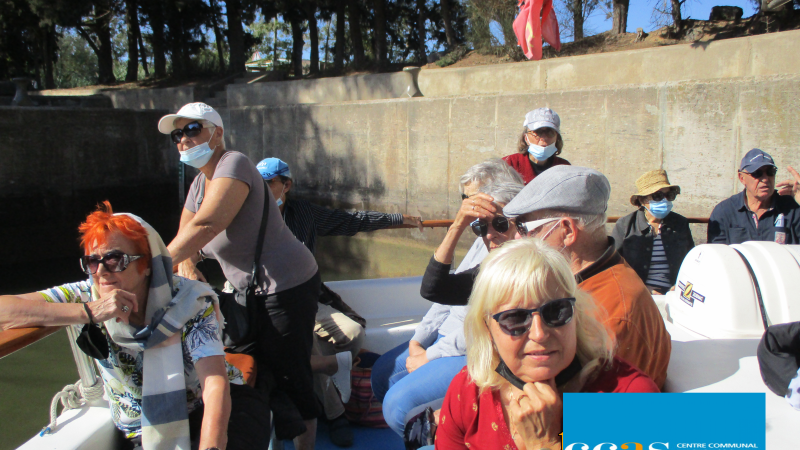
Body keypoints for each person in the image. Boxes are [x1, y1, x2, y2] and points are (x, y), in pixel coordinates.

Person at [0, 202, 270, 450]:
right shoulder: (86, 295)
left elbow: (213, 382)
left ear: (147, 264)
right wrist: (88, 312)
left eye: (115, 259)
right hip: (139, 425)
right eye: (93, 262)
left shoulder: (190, 300)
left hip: (205, 407)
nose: (102, 271)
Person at [157, 102, 321, 449]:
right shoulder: (200, 182)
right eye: (177, 135)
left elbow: (208, 224)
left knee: (293, 375)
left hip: (287, 285)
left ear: (216, 132)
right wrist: (184, 264)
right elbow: (186, 236)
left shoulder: (235, 163)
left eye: (191, 130)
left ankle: (307, 439)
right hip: (248, 292)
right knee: (251, 366)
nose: (183, 140)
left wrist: (150, 271)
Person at [423, 165, 671, 389]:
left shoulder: (610, 312)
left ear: (566, 230)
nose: (517, 238)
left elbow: (599, 423)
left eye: (523, 227)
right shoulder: (581, 278)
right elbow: (438, 288)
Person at [257, 156, 423, 446]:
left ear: (286, 185)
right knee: (309, 349)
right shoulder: (249, 216)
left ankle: (327, 376)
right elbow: (213, 237)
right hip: (267, 307)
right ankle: (336, 416)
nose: (262, 188)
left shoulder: (303, 213)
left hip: (307, 299)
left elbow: (350, 221)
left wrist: (399, 219)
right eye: (258, 182)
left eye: (269, 182)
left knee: (353, 333)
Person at [435, 238, 659, 450]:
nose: (539, 334)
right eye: (515, 318)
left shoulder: (630, 398)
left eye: (556, 311)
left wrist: (546, 444)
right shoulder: (468, 390)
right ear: (487, 328)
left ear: (576, 315)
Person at [372, 180, 523, 437]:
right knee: (385, 379)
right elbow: (437, 289)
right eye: (479, 225)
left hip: (490, 360)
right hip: (505, 367)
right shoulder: (498, 263)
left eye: (557, 314)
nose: (488, 234)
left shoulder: (532, 273)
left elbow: (602, 424)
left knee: (401, 407)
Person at [612, 170, 694, 295]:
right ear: (642, 200)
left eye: (669, 195)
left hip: (674, 293)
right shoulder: (625, 225)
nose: (664, 200)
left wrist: (680, 286)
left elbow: (691, 262)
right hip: (638, 294)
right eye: (657, 196)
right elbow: (613, 266)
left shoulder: (680, 224)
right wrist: (643, 288)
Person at [708, 148, 800, 245]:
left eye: (770, 172)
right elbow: (716, 254)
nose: (765, 179)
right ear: (742, 178)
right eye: (757, 173)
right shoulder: (725, 211)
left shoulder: (793, 209)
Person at [502, 107, 570, 184]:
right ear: (526, 138)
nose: (543, 138)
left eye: (550, 132)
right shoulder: (508, 164)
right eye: (537, 132)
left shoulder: (564, 168)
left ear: (557, 137)